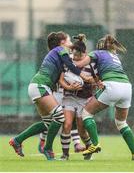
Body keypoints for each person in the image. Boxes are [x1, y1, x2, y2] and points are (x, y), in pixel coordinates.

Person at [9, 31, 91, 161]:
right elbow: (70, 64)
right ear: (62, 42)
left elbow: (69, 64)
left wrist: (80, 44)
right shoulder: (60, 50)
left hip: (38, 86)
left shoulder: (58, 55)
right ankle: (48, 148)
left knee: (48, 123)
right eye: (69, 40)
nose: (70, 43)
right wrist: (83, 76)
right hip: (40, 86)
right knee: (60, 116)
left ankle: (17, 140)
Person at [75, 34, 134, 161]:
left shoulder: (97, 53)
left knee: (86, 113)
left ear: (99, 47)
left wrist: (69, 59)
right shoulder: (114, 56)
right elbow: (99, 74)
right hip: (126, 87)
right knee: (121, 123)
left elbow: (80, 64)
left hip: (112, 85)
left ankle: (95, 144)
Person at [59, 34, 98, 160]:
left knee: (82, 130)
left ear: (85, 53)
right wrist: (69, 86)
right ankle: (65, 155)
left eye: (78, 55)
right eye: (74, 55)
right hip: (69, 97)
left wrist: (88, 81)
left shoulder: (91, 64)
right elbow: (61, 78)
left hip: (84, 100)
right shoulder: (68, 61)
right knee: (67, 124)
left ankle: (89, 149)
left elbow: (96, 80)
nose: (75, 58)